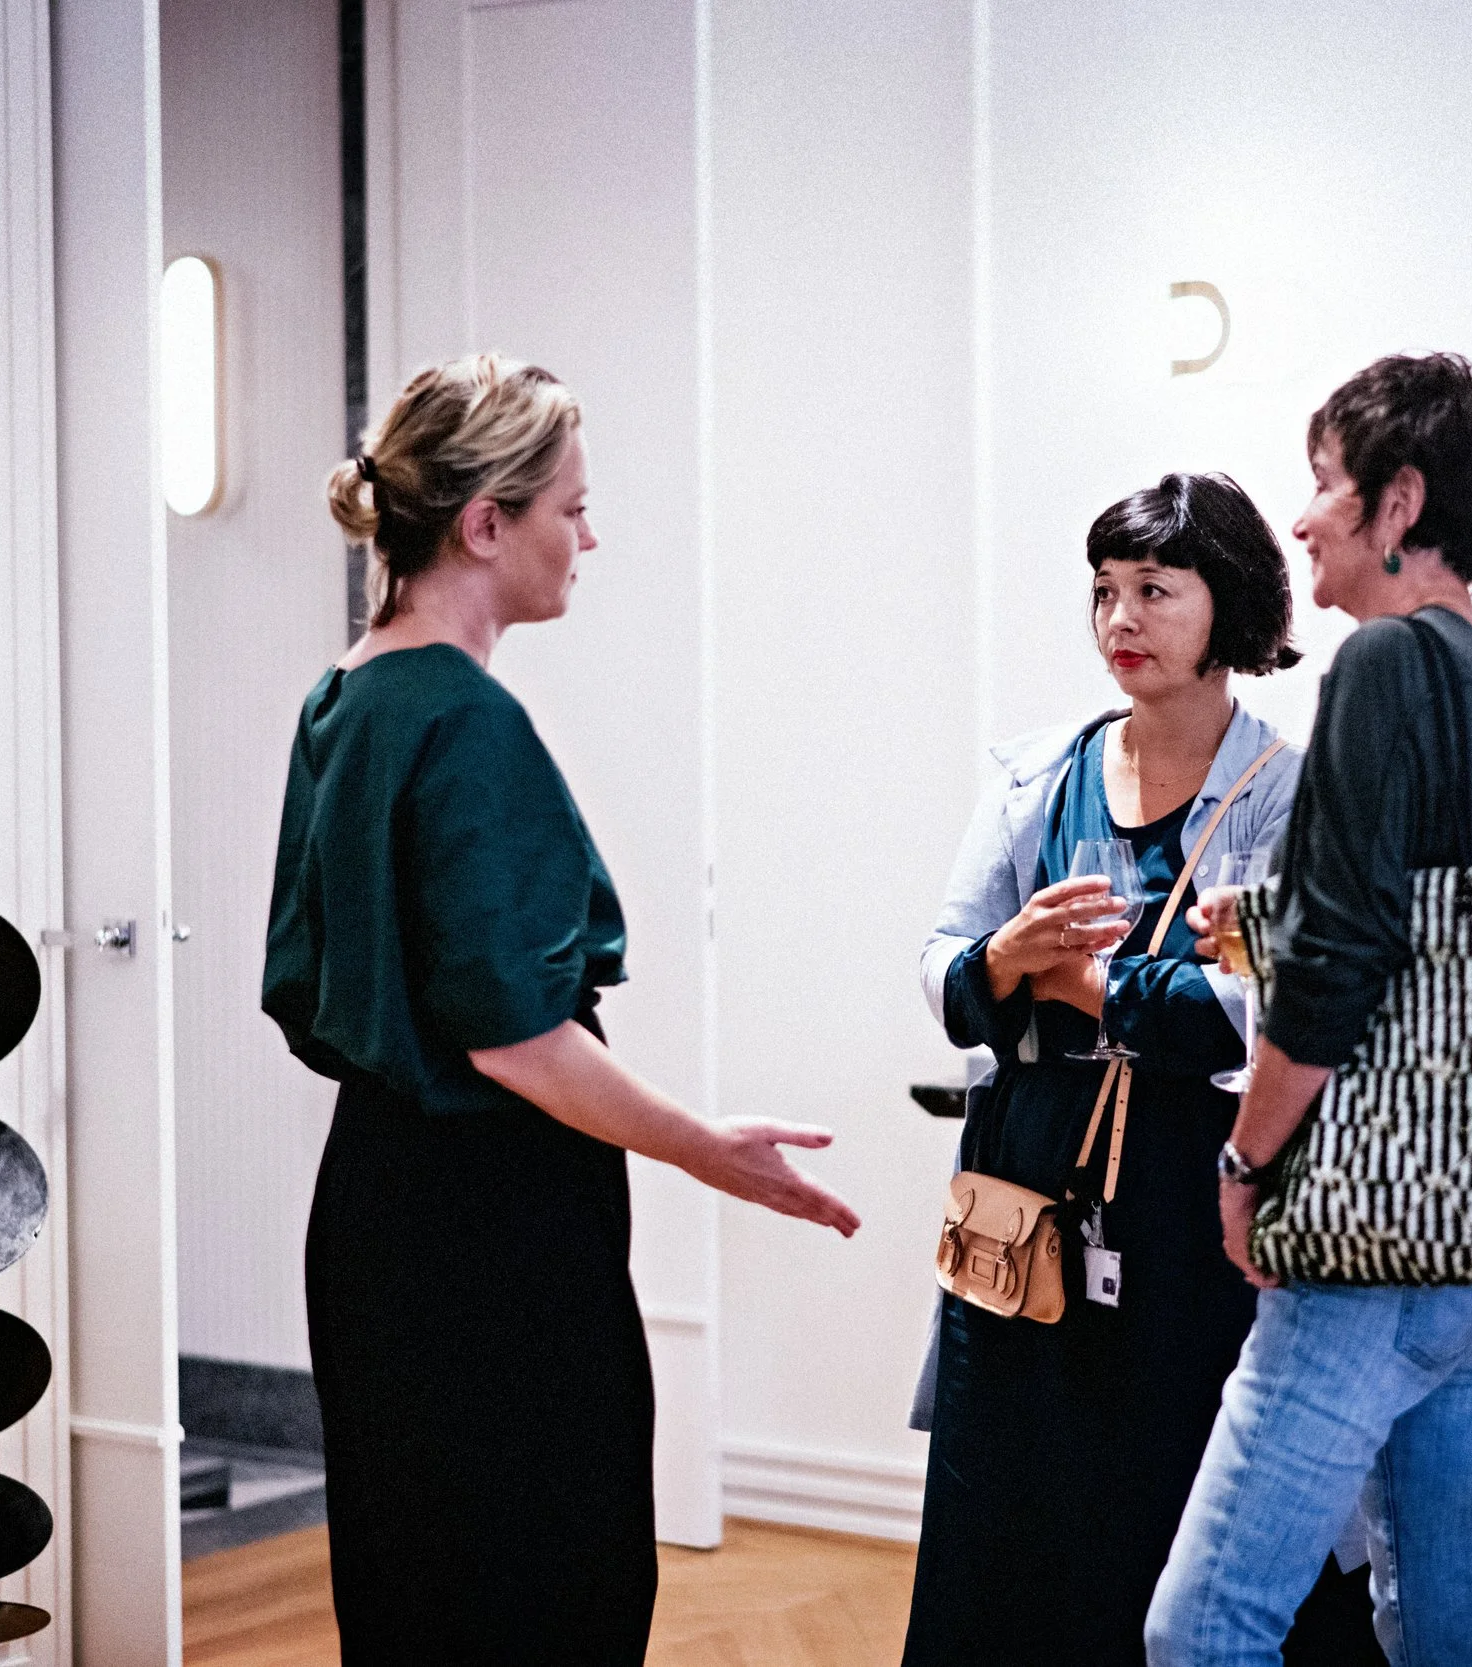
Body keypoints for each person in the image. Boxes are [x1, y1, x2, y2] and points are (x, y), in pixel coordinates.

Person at [261, 354, 859, 1667]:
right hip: (490, 1229)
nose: (589, 536)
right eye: (568, 508)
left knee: (414, 1585)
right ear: (484, 523)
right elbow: (515, 1035)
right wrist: (709, 1147)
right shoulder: (466, 721)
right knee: (545, 1581)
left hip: (370, 1202)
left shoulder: (344, 695)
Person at [1146, 354, 1472, 1667]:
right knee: (1442, 1616)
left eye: (1327, 481)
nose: (1304, 515)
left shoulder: (1383, 660)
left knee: (1202, 1626)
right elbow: (1454, 948)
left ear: (1400, 503)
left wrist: (1245, 1155)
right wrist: (1265, 927)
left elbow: (1343, 960)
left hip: (1380, 1239)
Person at [904, 473, 1308, 1667]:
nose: (1118, 620)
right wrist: (1003, 955)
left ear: (1226, 604)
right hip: (1030, 1173)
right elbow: (939, 967)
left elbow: (1266, 1010)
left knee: (1171, 1482)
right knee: (1006, 1495)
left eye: (1152, 591)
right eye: (1102, 593)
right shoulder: (1038, 773)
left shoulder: (1288, 789)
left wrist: (1082, 982)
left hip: (1195, 1192)